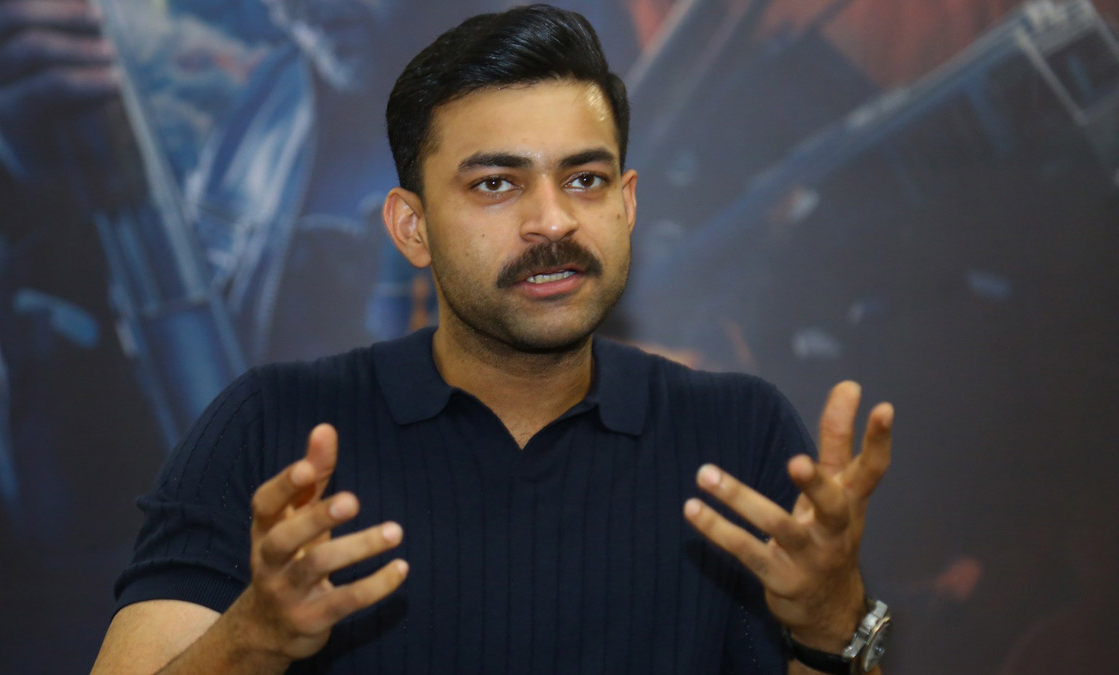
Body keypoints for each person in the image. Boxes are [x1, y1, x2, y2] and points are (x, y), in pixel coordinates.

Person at [92, 5, 894, 674]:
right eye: (496, 184)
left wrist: (831, 625)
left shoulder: (740, 433)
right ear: (412, 227)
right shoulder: (271, 425)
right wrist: (251, 639)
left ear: (627, 205)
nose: (552, 220)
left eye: (585, 179)